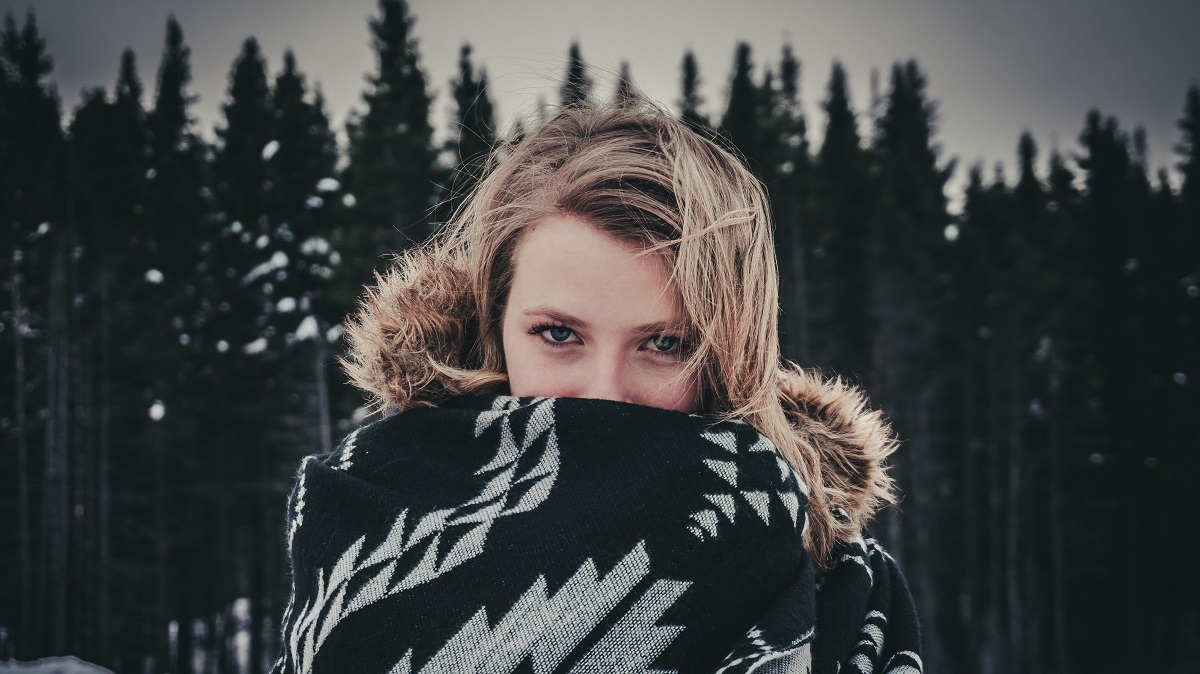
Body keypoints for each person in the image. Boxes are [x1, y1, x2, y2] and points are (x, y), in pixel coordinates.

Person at [272, 103, 922, 674]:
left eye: (664, 344)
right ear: (495, 323)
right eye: (558, 334)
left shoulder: (841, 601)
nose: (604, 395)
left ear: (734, 358)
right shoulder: (358, 529)